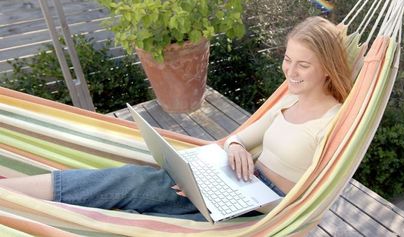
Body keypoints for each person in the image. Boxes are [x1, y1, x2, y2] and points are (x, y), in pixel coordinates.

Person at [0, 16, 352, 221]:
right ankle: (18, 195)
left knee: (136, 189)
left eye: (302, 64)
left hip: (260, 207)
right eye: (288, 59)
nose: (289, 70)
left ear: (328, 69)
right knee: (138, 190)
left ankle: (15, 196)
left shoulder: (335, 122)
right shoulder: (290, 98)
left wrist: (235, 193)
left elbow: (307, 202)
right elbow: (240, 137)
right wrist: (234, 150)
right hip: (239, 180)